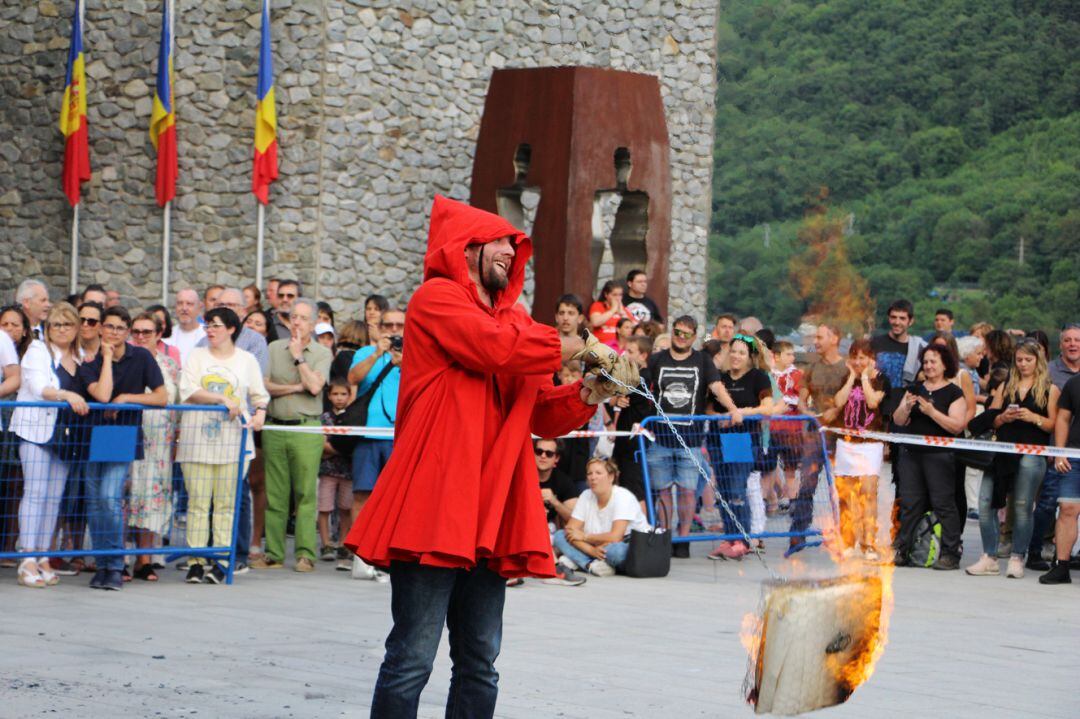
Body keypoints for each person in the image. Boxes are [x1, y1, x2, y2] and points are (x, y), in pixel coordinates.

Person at [344, 195, 635, 718]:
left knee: (480, 658)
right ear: (466, 249)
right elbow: (492, 347)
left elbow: (537, 411)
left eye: (513, 244)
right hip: (435, 505)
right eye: (499, 241)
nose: (509, 250)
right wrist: (583, 344)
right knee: (412, 656)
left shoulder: (514, 322)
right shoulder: (436, 298)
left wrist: (591, 391)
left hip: (489, 506)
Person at [78, 306, 168, 590]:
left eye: (120, 328)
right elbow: (103, 395)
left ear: (127, 331)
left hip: (122, 434)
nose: (115, 333)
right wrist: (106, 358)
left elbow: (162, 397)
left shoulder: (140, 356)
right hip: (91, 435)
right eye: (110, 327)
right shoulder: (90, 364)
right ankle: (103, 563)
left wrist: (127, 397)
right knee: (94, 503)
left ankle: (116, 563)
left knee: (109, 497)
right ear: (101, 328)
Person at [176, 307, 268, 584]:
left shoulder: (247, 360)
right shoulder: (196, 355)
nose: (210, 330)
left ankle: (222, 558)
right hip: (197, 441)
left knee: (227, 504)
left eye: (215, 325)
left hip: (232, 442)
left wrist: (260, 412)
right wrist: (220, 399)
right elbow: (188, 390)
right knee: (198, 504)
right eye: (207, 325)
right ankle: (196, 559)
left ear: (230, 328)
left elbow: (259, 394)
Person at [646, 315, 739, 558]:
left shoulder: (703, 361)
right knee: (663, 490)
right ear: (672, 331)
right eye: (677, 331)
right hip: (660, 437)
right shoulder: (657, 359)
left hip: (691, 439)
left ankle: (683, 537)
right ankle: (665, 534)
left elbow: (717, 387)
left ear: (694, 337)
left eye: (686, 334)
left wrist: (732, 408)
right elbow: (642, 387)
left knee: (688, 491)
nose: (681, 337)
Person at [9, 303, 88, 587]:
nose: (61, 329)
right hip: (36, 430)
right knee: (36, 491)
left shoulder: (80, 355)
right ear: (48, 328)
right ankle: (27, 557)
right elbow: (40, 387)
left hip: (67, 434)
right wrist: (66, 394)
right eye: (56, 324)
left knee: (54, 496)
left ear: (76, 327)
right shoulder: (38, 351)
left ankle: (43, 555)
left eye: (67, 324)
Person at [966, 340, 1058, 579]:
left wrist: (1033, 417)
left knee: (1022, 505)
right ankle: (989, 556)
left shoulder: (1050, 388)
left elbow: (1053, 424)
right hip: (1002, 451)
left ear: (1038, 361)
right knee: (986, 502)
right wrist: (1004, 417)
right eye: (1019, 360)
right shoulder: (1007, 384)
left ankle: (1017, 556)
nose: (1023, 364)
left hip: (1032, 452)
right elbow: (991, 416)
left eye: (1028, 360)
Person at [256, 297, 331, 572]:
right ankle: (274, 553)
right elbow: (264, 386)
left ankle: (305, 554)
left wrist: (299, 357)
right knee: (275, 493)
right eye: (293, 317)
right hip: (276, 426)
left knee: (305, 494)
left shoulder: (322, 353)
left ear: (313, 323)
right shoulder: (273, 348)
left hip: (305, 428)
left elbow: (314, 387)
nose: (296, 322)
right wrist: (294, 387)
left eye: (302, 318)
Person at [891, 345, 967, 570]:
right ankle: (904, 549)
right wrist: (905, 406)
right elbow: (898, 420)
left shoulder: (954, 393)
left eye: (933, 361)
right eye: (925, 362)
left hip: (939, 456)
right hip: (912, 454)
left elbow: (957, 426)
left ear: (945, 365)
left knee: (943, 503)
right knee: (910, 503)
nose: (929, 366)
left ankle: (950, 553)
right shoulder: (914, 388)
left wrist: (932, 412)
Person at [346, 308, 405, 582]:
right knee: (362, 495)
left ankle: (392, 554)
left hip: (399, 438)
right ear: (378, 328)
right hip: (369, 435)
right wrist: (376, 354)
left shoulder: (414, 356)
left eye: (399, 325)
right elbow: (353, 379)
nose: (394, 330)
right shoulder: (365, 353)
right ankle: (359, 556)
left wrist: (404, 363)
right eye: (388, 325)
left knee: (397, 500)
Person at [707, 334, 774, 560]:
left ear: (750, 357)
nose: (736, 356)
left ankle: (742, 538)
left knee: (737, 489)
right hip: (718, 437)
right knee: (723, 491)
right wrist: (719, 417)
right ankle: (730, 536)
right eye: (733, 351)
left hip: (742, 438)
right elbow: (708, 407)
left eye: (741, 353)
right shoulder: (720, 378)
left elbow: (767, 407)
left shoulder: (758, 377)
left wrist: (741, 413)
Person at [126, 312, 180, 582]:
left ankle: (144, 558)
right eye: (135, 331)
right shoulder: (122, 360)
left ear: (158, 334)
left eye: (147, 332)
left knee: (151, 500)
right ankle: (120, 557)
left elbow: (175, 401)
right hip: (129, 437)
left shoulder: (169, 365)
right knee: (125, 498)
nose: (140, 336)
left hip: (159, 444)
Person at [789, 324, 848, 551]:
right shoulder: (812, 368)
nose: (816, 340)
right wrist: (807, 413)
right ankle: (797, 534)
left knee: (841, 487)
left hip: (840, 436)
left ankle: (845, 533)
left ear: (834, 338)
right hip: (815, 435)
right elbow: (802, 400)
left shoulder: (845, 368)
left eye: (820, 337)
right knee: (807, 484)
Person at [831, 339, 890, 560]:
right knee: (846, 495)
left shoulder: (882, 380)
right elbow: (838, 402)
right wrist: (851, 378)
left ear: (871, 359)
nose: (858, 362)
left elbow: (874, 402)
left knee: (868, 494)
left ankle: (869, 542)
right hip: (846, 443)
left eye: (862, 357)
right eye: (854, 357)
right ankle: (848, 540)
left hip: (869, 443)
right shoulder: (846, 378)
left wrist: (864, 377)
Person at [552, 457, 651, 576]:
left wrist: (584, 537)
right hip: (596, 546)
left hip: (626, 544)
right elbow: (570, 530)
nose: (593, 477)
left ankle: (578, 559)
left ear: (611, 477)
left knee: (616, 552)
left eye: (598, 473)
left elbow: (615, 537)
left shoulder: (623, 496)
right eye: (589, 473)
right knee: (559, 536)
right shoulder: (586, 495)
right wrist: (591, 550)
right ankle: (590, 564)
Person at [1039, 373, 1080, 584]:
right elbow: (1063, 418)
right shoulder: (1075, 382)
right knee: (1067, 509)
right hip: (1075, 457)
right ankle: (1062, 566)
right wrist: (1060, 452)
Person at [610, 335, 653, 504]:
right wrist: (617, 398)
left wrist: (617, 397)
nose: (625, 354)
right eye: (625, 350)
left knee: (634, 490)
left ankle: (642, 529)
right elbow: (615, 399)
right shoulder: (632, 377)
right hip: (624, 438)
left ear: (643, 356)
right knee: (621, 486)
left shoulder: (643, 378)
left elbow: (617, 394)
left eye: (630, 351)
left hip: (634, 441)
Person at [318, 379, 354, 568]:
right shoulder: (324, 418)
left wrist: (335, 448)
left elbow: (352, 443)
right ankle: (326, 544)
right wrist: (342, 448)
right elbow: (321, 443)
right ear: (329, 396)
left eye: (343, 394)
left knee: (346, 507)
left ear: (349, 395)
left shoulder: (353, 417)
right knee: (324, 507)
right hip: (328, 470)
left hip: (348, 471)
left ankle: (343, 542)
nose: (339, 398)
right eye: (335, 394)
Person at [196, 288, 269, 374]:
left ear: (243, 311)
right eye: (220, 305)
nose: (224, 309)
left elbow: (254, 376)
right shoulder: (205, 341)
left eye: (230, 305)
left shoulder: (255, 341)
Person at [767, 340, 802, 513]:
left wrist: (781, 403)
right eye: (788, 354)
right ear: (777, 356)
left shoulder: (796, 375)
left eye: (792, 354)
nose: (792, 357)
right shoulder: (769, 374)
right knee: (769, 466)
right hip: (770, 428)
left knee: (790, 467)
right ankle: (773, 498)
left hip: (790, 429)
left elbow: (797, 398)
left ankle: (793, 499)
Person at [871, 299, 926, 390]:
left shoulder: (920, 348)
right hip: (878, 399)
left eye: (902, 318)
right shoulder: (875, 343)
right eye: (893, 317)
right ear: (889, 318)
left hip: (907, 400)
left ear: (911, 321)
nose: (897, 322)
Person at [164, 288, 206, 365]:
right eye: (180, 303)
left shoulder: (207, 334)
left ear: (199, 307)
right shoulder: (167, 336)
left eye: (189, 304)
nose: (184, 308)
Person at [589, 280, 636, 348]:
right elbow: (595, 322)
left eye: (620, 295)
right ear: (606, 294)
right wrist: (613, 310)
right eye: (614, 295)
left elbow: (634, 327)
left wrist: (622, 313)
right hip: (601, 345)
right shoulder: (597, 305)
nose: (618, 298)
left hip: (621, 346)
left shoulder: (624, 309)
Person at [1049, 323, 1080, 390]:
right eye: (1067, 340)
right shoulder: (1047, 371)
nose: (1072, 344)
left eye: (1077, 340)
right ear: (1060, 345)